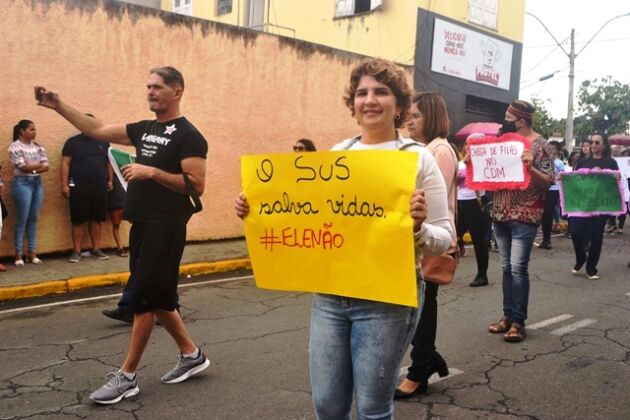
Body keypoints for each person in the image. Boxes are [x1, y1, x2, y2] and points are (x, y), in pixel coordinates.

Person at [235, 58, 452, 419]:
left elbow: (444, 238)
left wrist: (418, 228)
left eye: (381, 92)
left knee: (372, 408)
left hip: (387, 300)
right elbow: (306, 213)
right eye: (362, 93)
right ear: (352, 103)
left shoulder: (418, 159)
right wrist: (255, 208)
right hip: (331, 296)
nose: (370, 100)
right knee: (327, 405)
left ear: (399, 104)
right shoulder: (339, 154)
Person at [35, 66, 210, 404]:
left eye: (157, 87)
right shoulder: (144, 129)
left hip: (166, 225)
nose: (150, 92)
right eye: (148, 86)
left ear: (177, 91)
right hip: (142, 223)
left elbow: (196, 184)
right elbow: (97, 129)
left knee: (143, 297)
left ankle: (127, 377)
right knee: (159, 298)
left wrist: (152, 171)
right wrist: (59, 106)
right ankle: (192, 355)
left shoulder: (189, 135)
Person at [394, 92, 457, 399]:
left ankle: (419, 371)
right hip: (413, 239)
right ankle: (427, 359)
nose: (410, 121)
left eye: (416, 116)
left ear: (432, 117)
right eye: (409, 115)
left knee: (421, 308)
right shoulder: (418, 149)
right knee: (417, 306)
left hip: (428, 238)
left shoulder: (438, 151)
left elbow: (431, 201)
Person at [479, 100, 554, 343]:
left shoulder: (541, 145)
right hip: (500, 214)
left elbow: (549, 181)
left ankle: (518, 322)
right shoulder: (502, 143)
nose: (504, 121)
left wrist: (530, 168)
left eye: (508, 117)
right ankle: (508, 316)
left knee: (518, 268)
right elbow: (489, 174)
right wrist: (475, 165)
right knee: (506, 268)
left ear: (521, 121)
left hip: (525, 216)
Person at [60, 117, 112, 263]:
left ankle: (96, 249)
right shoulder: (72, 142)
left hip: (99, 186)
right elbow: (65, 164)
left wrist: (110, 180)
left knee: (97, 219)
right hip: (78, 186)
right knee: (78, 220)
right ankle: (76, 251)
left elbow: (109, 162)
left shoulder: (104, 141)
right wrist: (64, 185)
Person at [569, 133, 619, 280]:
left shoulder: (610, 162)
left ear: (604, 145)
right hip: (582, 204)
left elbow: (616, 182)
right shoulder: (583, 161)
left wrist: (608, 175)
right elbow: (574, 179)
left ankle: (591, 268)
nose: (593, 145)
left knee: (596, 236)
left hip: (600, 205)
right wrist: (562, 178)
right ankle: (581, 257)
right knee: (575, 232)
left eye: (597, 142)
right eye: (592, 142)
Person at [9, 120, 49, 266]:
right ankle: (18, 254)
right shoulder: (15, 146)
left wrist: (32, 168)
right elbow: (22, 167)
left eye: (35, 129)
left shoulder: (38, 146)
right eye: (31, 129)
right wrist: (36, 166)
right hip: (22, 184)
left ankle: (32, 252)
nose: (34, 132)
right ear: (22, 131)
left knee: (33, 219)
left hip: (37, 183)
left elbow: (46, 167)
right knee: (22, 219)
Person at [456, 134, 490, 288]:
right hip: (460, 202)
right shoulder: (459, 164)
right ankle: (442, 269)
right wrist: (464, 164)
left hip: (476, 202)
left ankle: (482, 274)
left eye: (473, 145)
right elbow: (453, 181)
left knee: (479, 240)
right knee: (453, 235)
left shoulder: (485, 163)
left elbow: (486, 180)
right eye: (467, 144)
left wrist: (472, 165)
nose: (468, 147)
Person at [537, 141, 565, 249]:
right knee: (543, 214)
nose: (551, 151)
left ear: (557, 150)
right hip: (543, 189)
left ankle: (547, 240)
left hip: (554, 189)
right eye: (549, 148)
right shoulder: (542, 161)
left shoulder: (559, 163)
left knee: (548, 213)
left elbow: (563, 176)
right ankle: (545, 239)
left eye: (553, 148)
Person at [108, 173, 128, 257]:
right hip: (115, 203)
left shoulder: (124, 175)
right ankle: (120, 248)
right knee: (116, 225)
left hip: (126, 202)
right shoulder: (110, 177)